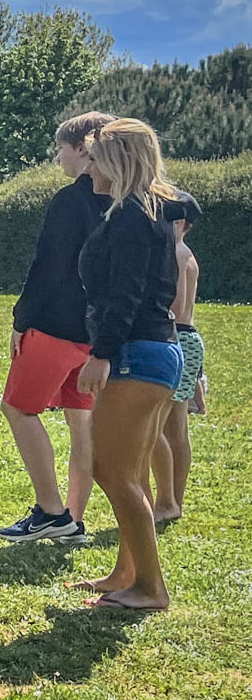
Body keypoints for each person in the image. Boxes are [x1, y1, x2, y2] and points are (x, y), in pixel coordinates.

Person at [73, 118, 182, 612]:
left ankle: (150, 589)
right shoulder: (148, 212)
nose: (87, 166)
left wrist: (102, 355)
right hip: (155, 350)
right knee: (130, 473)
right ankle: (127, 572)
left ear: (116, 163)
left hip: (136, 353)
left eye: (94, 157)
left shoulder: (133, 217)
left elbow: (125, 297)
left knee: (112, 471)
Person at [0, 111, 109, 545]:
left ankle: (50, 510)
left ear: (83, 147)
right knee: (80, 420)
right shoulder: (123, 199)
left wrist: (21, 319)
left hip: (55, 326)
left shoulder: (71, 199)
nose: (58, 156)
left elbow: (47, 267)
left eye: (61, 147)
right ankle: (72, 520)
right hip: (93, 334)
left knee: (19, 408)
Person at [150, 192, 204, 525]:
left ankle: (166, 500)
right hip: (190, 339)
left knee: (158, 424)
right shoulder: (189, 254)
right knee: (176, 427)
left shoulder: (176, 252)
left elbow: (176, 304)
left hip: (178, 337)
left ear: (179, 222)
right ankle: (173, 500)